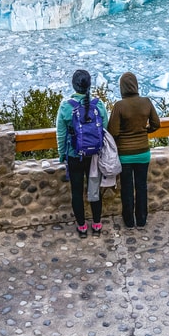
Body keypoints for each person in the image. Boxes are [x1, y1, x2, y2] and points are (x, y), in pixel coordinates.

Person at [55, 70, 109, 238]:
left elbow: (61, 134)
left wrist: (62, 155)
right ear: (89, 85)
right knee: (94, 189)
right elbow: (105, 128)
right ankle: (97, 224)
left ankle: (82, 226)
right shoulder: (98, 104)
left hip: (74, 155)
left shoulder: (66, 107)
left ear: (73, 85)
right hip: (94, 156)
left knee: (77, 192)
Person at [107, 72, 160, 228]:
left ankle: (129, 220)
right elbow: (156, 124)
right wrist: (145, 131)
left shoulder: (119, 106)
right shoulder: (146, 102)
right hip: (143, 152)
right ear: (136, 85)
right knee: (141, 186)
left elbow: (113, 132)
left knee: (127, 188)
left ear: (122, 87)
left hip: (125, 155)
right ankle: (142, 219)